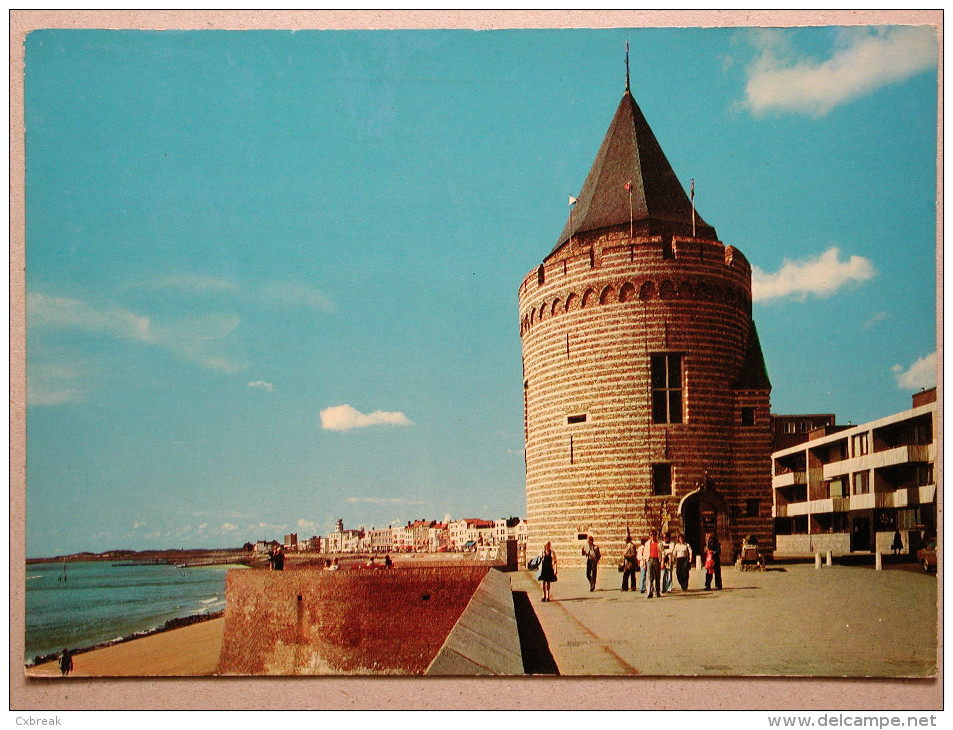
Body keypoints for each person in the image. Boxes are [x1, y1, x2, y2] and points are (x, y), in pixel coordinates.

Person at [645, 529, 663, 598]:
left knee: (657, 576)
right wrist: (644, 563)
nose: (653, 536)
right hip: (649, 560)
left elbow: (663, 553)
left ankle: (657, 591)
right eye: (651, 535)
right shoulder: (647, 543)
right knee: (650, 577)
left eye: (654, 535)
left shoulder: (659, 543)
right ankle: (650, 592)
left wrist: (662, 562)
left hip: (657, 560)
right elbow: (645, 554)